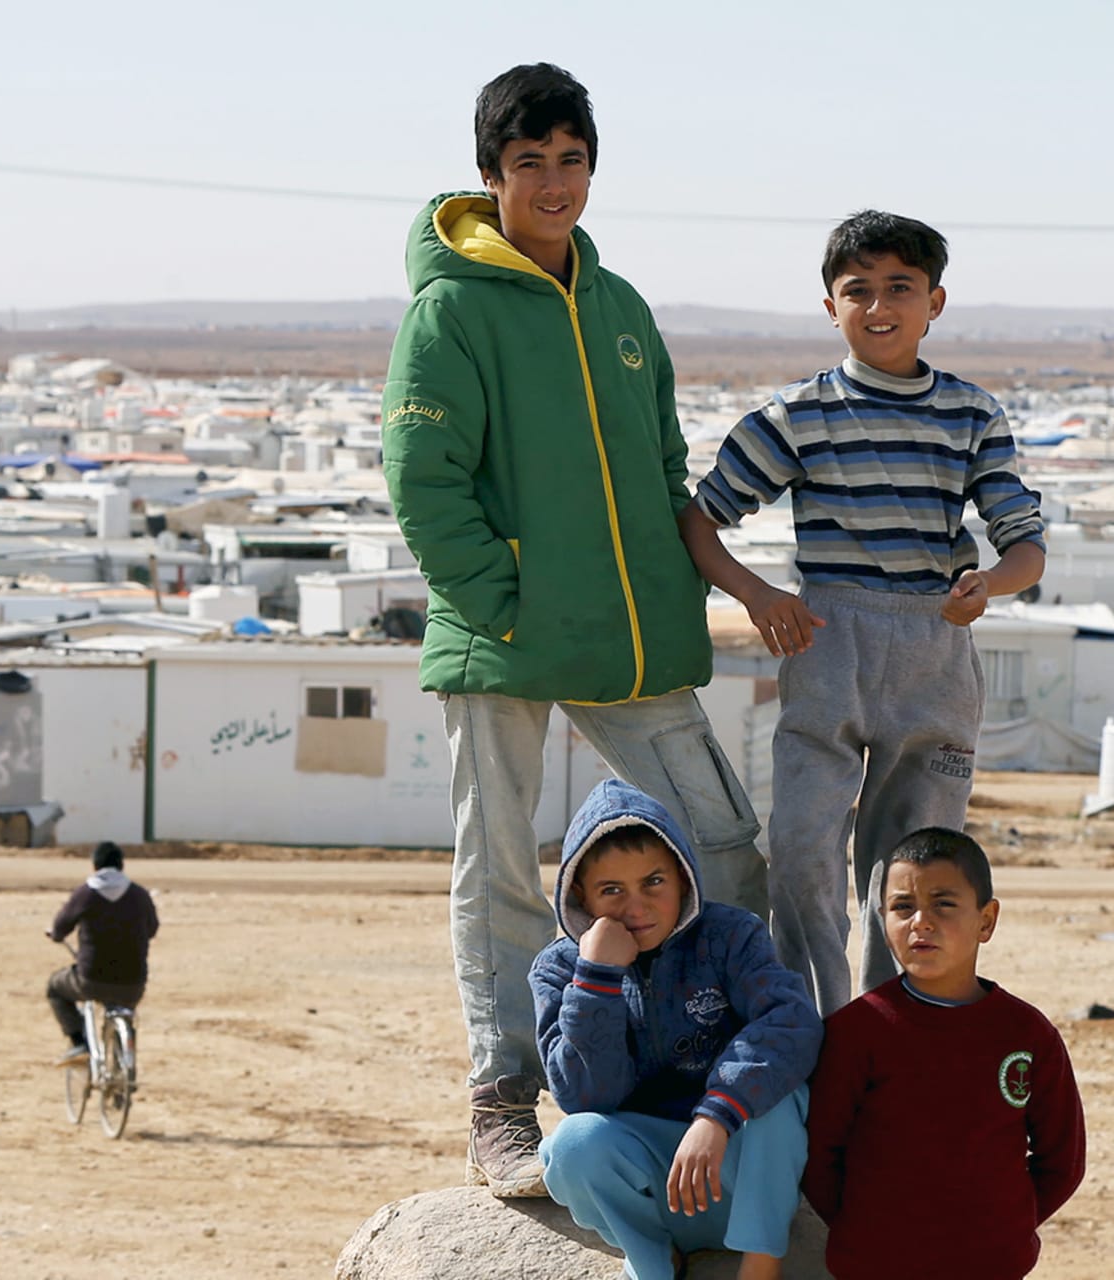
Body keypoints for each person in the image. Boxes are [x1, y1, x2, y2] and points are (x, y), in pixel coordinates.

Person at [382, 62, 770, 1197]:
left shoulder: (621, 305)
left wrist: (669, 592)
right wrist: (505, 596)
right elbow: (423, 478)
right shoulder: (450, 306)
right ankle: (501, 1097)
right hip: (500, 637)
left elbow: (657, 470)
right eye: (528, 164)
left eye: (570, 161)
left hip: (627, 639)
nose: (552, 184)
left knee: (723, 838)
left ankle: (722, 1062)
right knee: (497, 867)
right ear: (490, 176)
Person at [679, 209, 1047, 1013]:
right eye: (859, 291)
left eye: (900, 289)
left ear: (935, 302)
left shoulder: (972, 414)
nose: (880, 307)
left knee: (914, 860)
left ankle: (898, 1025)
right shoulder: (797, 415)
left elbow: (1026, 545)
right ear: (830, 306)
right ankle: (803, 1022)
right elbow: (699, 520)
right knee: (803, 845)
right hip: (829, 639)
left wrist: (989, 585)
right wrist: (759, 594)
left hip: (934, 652)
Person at [531, 780, 819, 1280]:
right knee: (571, 1145)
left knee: (780, 1091)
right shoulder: (559, 970)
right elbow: (586, 1096)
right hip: (656, 1184)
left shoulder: (730, 936)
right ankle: (653, 1258)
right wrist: (597, 978)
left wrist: (717, 1114)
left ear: (684, 878)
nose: (636, 906)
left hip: (740, 1170)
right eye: (611, 890)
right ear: (579, 895)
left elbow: (790, 1022)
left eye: (654, 882)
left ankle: (760, 1261)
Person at [803, 828, 1086, 1280]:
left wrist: (1002, 1228)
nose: (921, 921)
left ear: (986, 920)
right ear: (882, 920)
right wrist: (868, 1232)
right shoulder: (856, 1032)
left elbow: (1062, 1160)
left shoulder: (1027, 1035)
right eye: (902, 906)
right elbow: (819, 1157)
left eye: (943, 904)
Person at [45, 840, 159, 1063]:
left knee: (55, 987)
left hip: (91, 979)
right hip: (133, 983)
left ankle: (79, 1043)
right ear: (121, 866)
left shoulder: (86, 894)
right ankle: (126, 1064)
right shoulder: (139, 895)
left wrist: (56, 935)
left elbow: (61, 927)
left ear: (95, 866)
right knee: (125, 1010)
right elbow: (152, 929)